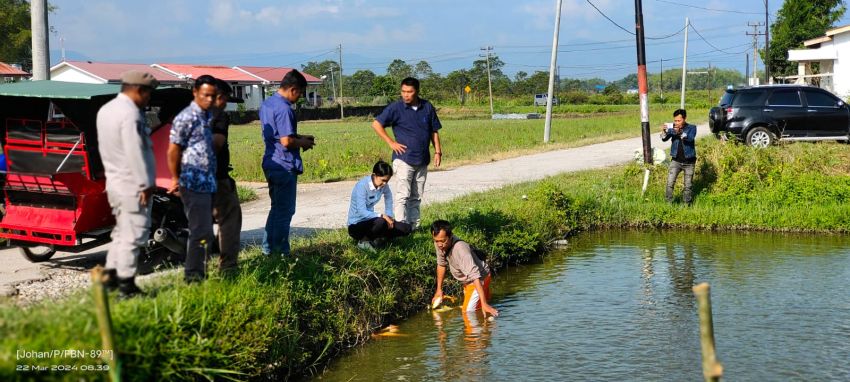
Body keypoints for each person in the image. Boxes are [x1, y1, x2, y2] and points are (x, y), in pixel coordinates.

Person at [96, 70, 159, 297]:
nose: (149, 99)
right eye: (149, 94)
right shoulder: (130, 114)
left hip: (114, 181)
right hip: (133, 184)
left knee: (121, 233)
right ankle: (127, 287)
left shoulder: (107, 109)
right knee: (133, 235)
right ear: (138, 90)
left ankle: (109, 278)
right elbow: (134, 151)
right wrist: (144, 184)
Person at [371, 77, 442, 229]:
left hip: (422, 159)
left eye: (409, 92)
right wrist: (391, 143)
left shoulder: (427, 107)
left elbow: (433, 130)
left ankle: (414, 226)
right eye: (403, 91)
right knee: (403, 195)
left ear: (417, 91)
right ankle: (401, 227)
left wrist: (438, 151)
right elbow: (376, 124)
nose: (406, 95)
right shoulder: (396, 108)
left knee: (416, 196)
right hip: (403, 159)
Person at [167, 74, 218, 283]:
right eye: (206, 95)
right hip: (192, 181)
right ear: (195, 93)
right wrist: (174, 178)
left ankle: (200, 272)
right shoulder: (186, 117)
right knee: (200, 230)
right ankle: (193, 276)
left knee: (205, 230)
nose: (210, 100)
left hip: (206, 182)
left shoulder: (206, 116)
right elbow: (173, 150)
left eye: (213, 96)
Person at [260, 70, 314, 256]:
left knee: (276, 208)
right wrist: (303, 143)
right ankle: (281, 253)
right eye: (299, 93)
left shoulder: (267, 104)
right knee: (285, 211)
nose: (299, 98)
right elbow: (286, 141)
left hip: (270, 162)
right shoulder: (284, 109)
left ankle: (268, 250)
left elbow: (278, 135)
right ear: (293, 89)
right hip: (284, 164)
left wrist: (299, 137)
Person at [430, 220, 499, 318]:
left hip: (478, 280)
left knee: (467, 314)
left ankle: (482, 326)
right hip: (469, 281)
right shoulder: (439, 244)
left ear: (450, 236)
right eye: (436, 241)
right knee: (479, 311)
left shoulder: (461, 249)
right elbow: (441, 264)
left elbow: (475, 276)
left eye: (443, 241)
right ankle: (487, 326)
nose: (440, 244)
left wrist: (484, 303)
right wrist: (439, 290)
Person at [210, 79, 242, 273]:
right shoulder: (217, 116)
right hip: (216, 178)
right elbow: (217, 143)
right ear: (219, 97)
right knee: (230, 219)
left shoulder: (186, 116)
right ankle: (228, 267)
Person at [347, 160, 412, 251]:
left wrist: (389, 215)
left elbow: (388, 196)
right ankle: (363, 242)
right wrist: (382, 216)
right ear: (374, 175)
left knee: (406, 228)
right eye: (383, 180)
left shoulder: (383, 185)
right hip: (356, 225)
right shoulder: (361, 186)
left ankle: (378, 239)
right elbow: (361, 211)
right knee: (381, 222)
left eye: (387, 181)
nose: (385, 184)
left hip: (372, 221)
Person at [660, 109, 697, 205]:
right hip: (675, 161)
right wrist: (664, 131)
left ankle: (686, 204)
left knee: (688, 185)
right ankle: (668, 203)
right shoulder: (673, 129)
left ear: (684, 119)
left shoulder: (692, 128)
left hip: (689, 161)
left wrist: (680, 132)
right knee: (670, 183)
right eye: (675, 121)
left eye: (679, 120)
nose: (676, 123)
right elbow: (664, 139)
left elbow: (690, 138)